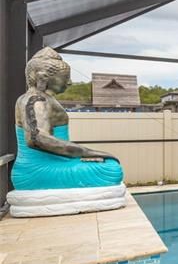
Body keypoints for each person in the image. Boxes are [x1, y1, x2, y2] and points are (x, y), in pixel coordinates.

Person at [12, 47, 123, 191]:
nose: (69, 82)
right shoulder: (35, 100)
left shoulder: (43, 99)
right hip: (37, 170)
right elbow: (36, 138)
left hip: (56, 163)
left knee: (108, 165)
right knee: (111, 170)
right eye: (65, 78)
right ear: (42, 77)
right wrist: (89, 152)